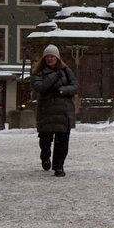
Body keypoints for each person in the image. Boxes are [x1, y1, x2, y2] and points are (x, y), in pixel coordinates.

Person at [32, 44, 77, 177]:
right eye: (47, 56)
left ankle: (59, 167)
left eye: (52, 56)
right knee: (45, 140)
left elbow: (75, 86)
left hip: (63, 111)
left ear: (57, 57)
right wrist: (54, 76)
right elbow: (39, 87)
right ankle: (45, 156)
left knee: (62, 142)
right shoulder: (38, 72)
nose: (50, 59)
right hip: (47, 111)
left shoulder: (66, 70)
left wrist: (63, 90)